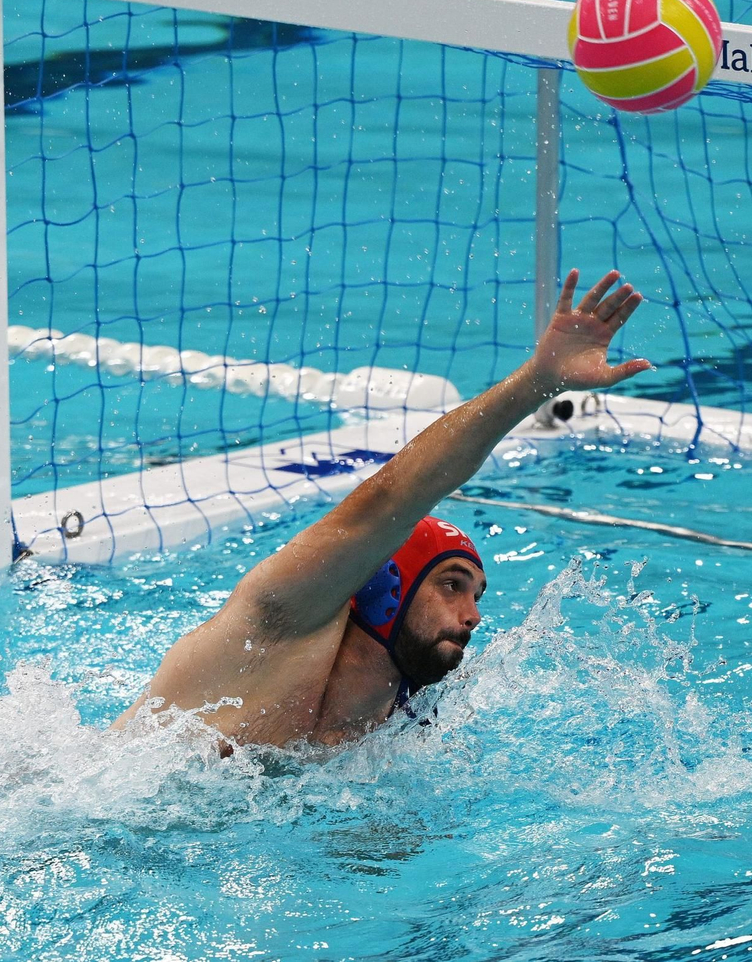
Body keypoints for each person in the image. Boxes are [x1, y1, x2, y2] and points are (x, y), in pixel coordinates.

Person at [113, 269, 652, 746]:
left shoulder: (401, 735)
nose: (474, 616)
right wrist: (538, 382)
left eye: (475, 595)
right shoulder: (274, 629)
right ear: (386, 587)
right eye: (451, 584)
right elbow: (395, 496)